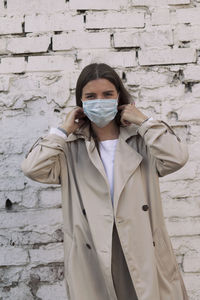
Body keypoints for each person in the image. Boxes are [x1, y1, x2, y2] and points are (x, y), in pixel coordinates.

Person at [21, 63, 189, 300]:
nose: (99, 100)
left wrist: (145, 122)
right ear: (81, 102)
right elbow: (32, 168)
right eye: (91, 96)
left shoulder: (141, 141)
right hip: (93, 251)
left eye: (107, 94)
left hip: (142, 247)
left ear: (119, 96)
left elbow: (177, 157)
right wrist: (62, 130)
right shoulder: (70, 148)